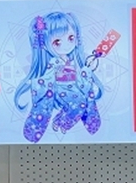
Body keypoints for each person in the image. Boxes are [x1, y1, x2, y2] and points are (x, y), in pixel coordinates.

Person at [14, 12, 103, 142]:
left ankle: (60, 122)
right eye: (57, 42)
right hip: (59, 90)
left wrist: (87, 69)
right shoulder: (54, 62)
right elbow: (47, 79)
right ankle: (61, 123)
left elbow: (79, 78)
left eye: (71, 38)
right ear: (45, 44)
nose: (66, 45)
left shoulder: (71, 61)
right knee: (79, 104)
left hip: (74, 88)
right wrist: (37, 82)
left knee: (80, 104)